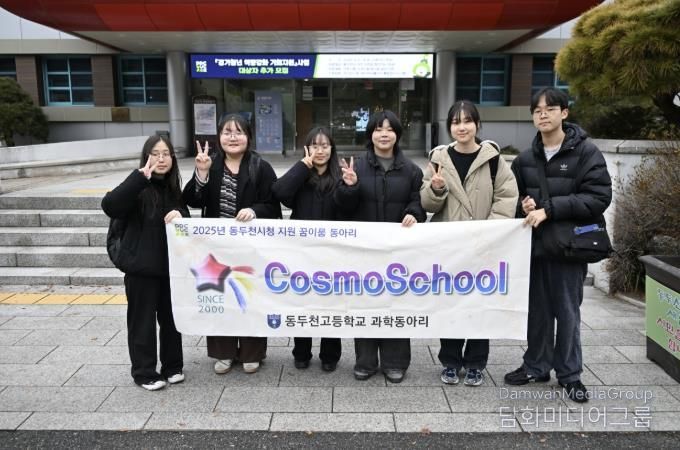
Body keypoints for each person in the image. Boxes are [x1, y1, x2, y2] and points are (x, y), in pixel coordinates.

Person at [504, 88, 612, 402]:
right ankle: (536, 366)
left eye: (550, 108)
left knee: (567, 313)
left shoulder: (586, 153)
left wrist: (549, 209)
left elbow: (598, 198)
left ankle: (570, 374)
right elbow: (514, 200)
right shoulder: (525, 159)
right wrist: (524, 206)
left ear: (564, 113)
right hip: (536, 248)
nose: (543, 114)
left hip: (570, 248)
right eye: (537, 110)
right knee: (537, 313)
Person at [420, 100, 518, 387]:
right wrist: (436, 189)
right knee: (450, 304)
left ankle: (476, 363)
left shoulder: (493, 159)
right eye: (455, 122)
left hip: (484, 246)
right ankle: (450, 361)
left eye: (467, 121)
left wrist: (488, 232)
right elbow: (427, 204)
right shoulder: (438, 158)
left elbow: (506, 197)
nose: (461, 127)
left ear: (477, 124)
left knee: (480, 304)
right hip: (449, 247)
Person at [183, 113, 281, 375]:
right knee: (219, 298)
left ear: (248, 137)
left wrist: (255, 211)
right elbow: (192, 200)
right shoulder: (210, 164)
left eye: (239, 132)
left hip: (250, 249)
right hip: (216, 250)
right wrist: (201, 173)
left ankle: (252, 353)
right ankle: (223, 352)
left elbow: (273, 206)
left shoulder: (260, 167)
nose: (233, 137)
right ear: (219, 137)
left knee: (250, 298)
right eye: (227, 132)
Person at [335, 110, 426, 383]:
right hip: (364, 250)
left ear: (397, 134)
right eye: (378, 129)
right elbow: (343, 208)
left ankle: (395, 362)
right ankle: (365, 361)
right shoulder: (357, 167)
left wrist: (414, 213)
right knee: (365, 302)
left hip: (398, 251)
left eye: (389, 129)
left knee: (396, 303)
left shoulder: (411, 170)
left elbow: (417, 202)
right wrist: (349, 187)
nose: (384, 134)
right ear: (370, 134)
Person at [101, 134, 189, 391]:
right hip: (140, 268)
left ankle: (173, 366)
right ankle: (144, 372)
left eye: (166, 154)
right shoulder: (137, 185)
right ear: (146, 157)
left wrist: (180, 214)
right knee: (142, 323)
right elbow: (110, 205)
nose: (161, 159)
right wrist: (139, 178)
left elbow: (184, 216)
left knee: (171, 320)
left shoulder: (172, 187)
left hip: (169, 268)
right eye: (156, 154)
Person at [271, 127, 345, 372]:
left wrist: (351, 185)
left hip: (334, 253)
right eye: (315, 146)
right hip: (301, 252)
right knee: (302, 301)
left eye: (324, 146)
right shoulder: (301, 176)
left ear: (332, 149)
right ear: (307, 148)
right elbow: (279, 192)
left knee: (331, 304)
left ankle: (330, 355)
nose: (320, 151)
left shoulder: (341, 176)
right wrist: (302, 167)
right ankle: (301, 352)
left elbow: (351, 205)